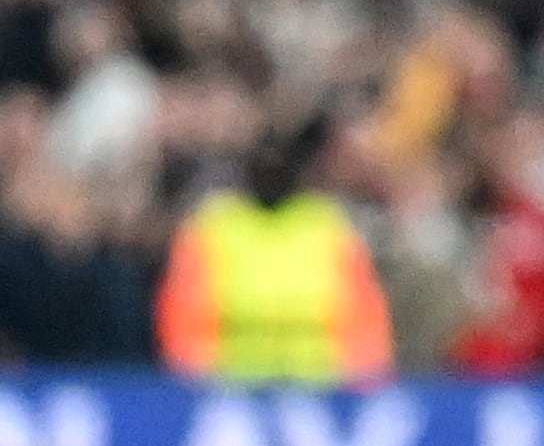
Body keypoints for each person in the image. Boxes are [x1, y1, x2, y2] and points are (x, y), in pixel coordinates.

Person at [155, 123, 393, 384]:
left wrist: (362, 382)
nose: (271, 170)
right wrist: (192, 382)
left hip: (321, 391)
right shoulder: (212, 225)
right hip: (229, 389)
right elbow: (179, 316)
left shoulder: (329, 225)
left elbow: (367, 319)